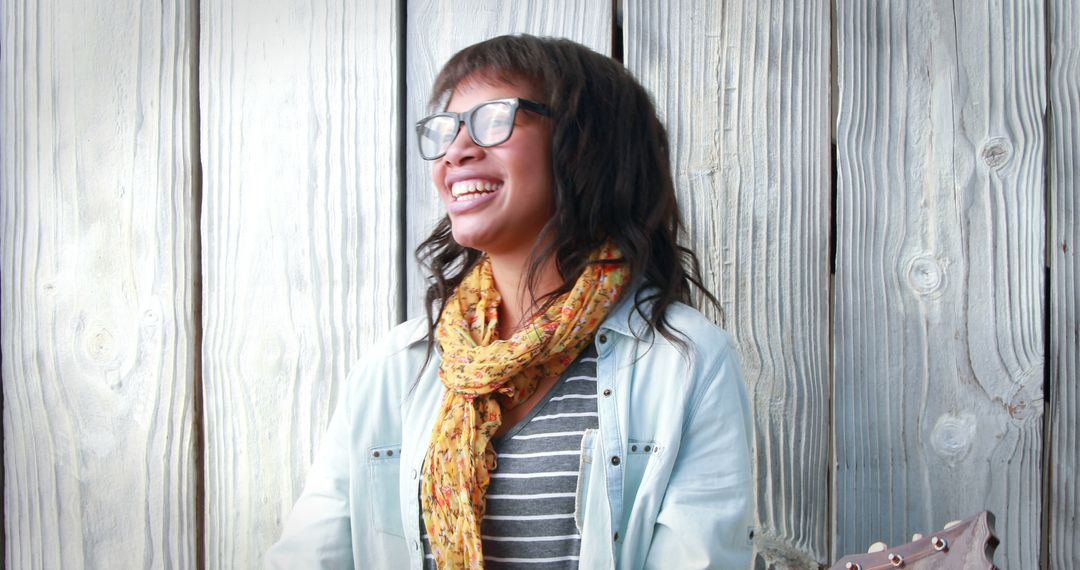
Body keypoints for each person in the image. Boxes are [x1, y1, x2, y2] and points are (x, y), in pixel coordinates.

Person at [266, 34, 753, 569]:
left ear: (586, 146)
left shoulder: (684, 362)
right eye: (446, 129)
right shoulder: (397, 368)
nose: (457, 151)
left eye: (493, 118)